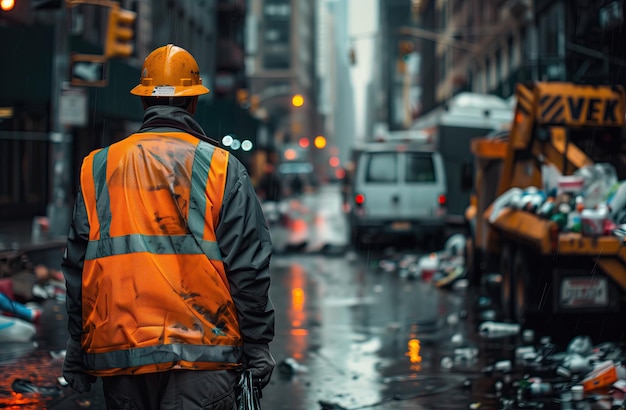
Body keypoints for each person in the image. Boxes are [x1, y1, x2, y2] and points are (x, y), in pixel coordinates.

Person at [61, 44, 275, 409]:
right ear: (193, 103)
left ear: (144, 102)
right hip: (203, 357)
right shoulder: (221, 168)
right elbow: (248, 268)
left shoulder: (98, 167)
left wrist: (77, 347)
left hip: (122, 357)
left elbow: (78, 268)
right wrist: (257, 347)